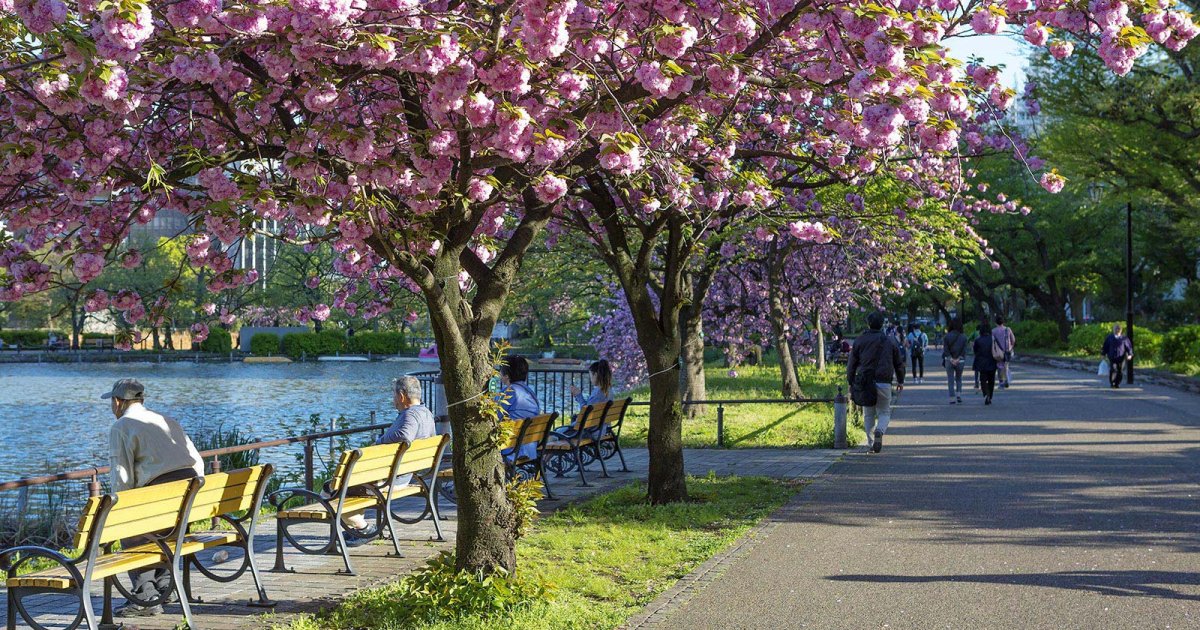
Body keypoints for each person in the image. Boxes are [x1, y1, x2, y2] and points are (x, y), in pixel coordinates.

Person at [104, 379, 205, 618]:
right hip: (185, 501)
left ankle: (145, 597)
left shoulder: (122, 426)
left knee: (128, 528)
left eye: (111, 402)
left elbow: (122, 476)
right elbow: (197, 463)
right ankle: (164, 586)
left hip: (159, 503)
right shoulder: (168, 421)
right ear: (141, 400)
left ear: (118, 402)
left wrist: (122, 507)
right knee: (155, 528)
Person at [343, 375, 438, 532]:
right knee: (349, 487)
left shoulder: (410, 415)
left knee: (331, 489)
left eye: (394, 395)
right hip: (406, 476)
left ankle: (363, 529)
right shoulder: (426, 413)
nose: (393, 399)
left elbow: (404, 436)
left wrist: (380, 442)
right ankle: (358, 529)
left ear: (401, 396)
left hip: (392, 481)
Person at [846, 312, 906, 453]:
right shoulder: (890, 341)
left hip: (866, 382)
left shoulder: (860, 340)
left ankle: (871, 443)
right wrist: (901, 380)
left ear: (868, 323)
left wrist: (851, 381)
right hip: (884, 382)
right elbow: (899, 363)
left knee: (868, 414)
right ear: (882, 324)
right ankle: (880, 430)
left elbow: (851, 364)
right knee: (884, 412)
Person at [497, 355, 541, 462]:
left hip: (512, 449)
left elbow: (495, 417)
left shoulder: (509, 392)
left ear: (506, 376)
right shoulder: (530, 392)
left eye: (500, 371)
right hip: (530, 448)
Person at [557, 360, 615, 441]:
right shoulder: (609, 390)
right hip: (601, 429)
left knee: (555, 433)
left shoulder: (598, 393)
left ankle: (544, 453)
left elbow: (585, 413)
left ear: (595, 375)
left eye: (590, 376)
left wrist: (578, 395)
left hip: (590, 431)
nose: (590, 379)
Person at [942, 319, 968, 404]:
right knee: (959, 378)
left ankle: (952, 397)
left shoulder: (947, 336)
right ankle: (959, 394)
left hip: (949, 361)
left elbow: (945, 350)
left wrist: (951, 358)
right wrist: (958, 358)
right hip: (960, 361)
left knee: (950, 379)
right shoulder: (964, 337)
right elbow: (964, 351)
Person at [1102, 324, 1134, 389]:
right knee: (1113, 369)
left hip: (1121, 357)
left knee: (1120, 370)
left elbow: (1129, 347)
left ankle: (1117, 383)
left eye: (1118, 329)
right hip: (1112, 356)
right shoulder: (1110, 337)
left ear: (1121, 330)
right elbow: (1105, 346)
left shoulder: (1124, 338)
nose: (1117, 330)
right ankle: (1112, 382)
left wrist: (1130, 354)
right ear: (1113, 330)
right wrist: (1103, 354)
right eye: (1116, 329)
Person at [973, 325, 999, 405]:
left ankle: (986, 394)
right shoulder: (993, 339)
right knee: (991, 380)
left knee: (983, 380)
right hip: (992, 362)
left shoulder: (978, 340)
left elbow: (975, 351)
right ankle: (990, 396)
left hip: (982, 363)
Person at [992, 315, 1016, 388]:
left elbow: (992, 342)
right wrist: (1011, 347)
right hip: (1007, 351)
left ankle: (1001, 381)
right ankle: (1006, 380)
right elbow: (1013, 340)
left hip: (998, 352)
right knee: (1006, 365)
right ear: (1003, 322)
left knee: (999, 366)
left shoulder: (993, 331)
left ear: (995, 322)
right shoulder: (1008, 329)